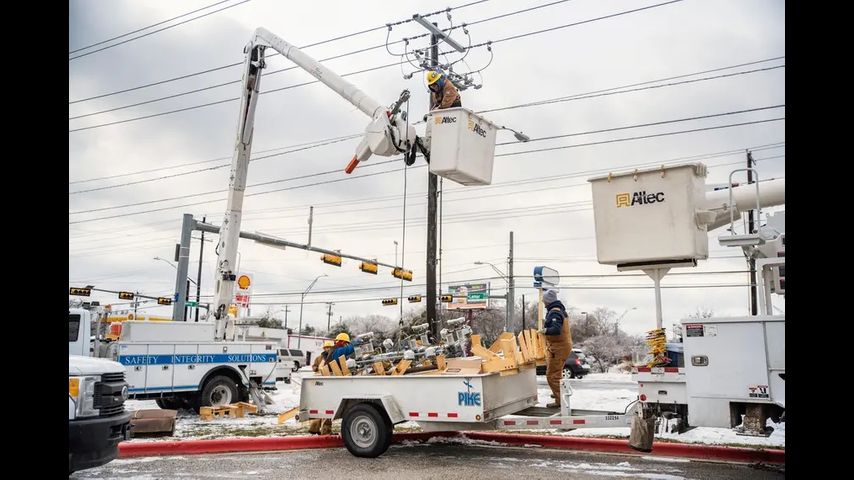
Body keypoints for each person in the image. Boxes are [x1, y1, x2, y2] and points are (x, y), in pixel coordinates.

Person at [538, 289, 572, 408]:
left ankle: (560, 401)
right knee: (556, 374)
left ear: (548, 301)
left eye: (544, 300)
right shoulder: (560, 310)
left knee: (552, 375)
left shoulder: (555, 312)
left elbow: (556, 329)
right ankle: (558, 393)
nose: (543, 302)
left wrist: (545, 330)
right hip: (562, 346)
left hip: (559, 347)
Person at [308, 340, 335, 435]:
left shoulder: (333, 357)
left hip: (327, 383)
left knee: (323, 408)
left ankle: (318, 428)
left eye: (329, 348)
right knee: (325, 408)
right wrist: (315, 368)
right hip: (322, 383)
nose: (327, 349)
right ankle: (323, 430)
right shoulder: (320, 358)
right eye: (326, 348)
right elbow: (314, 366)